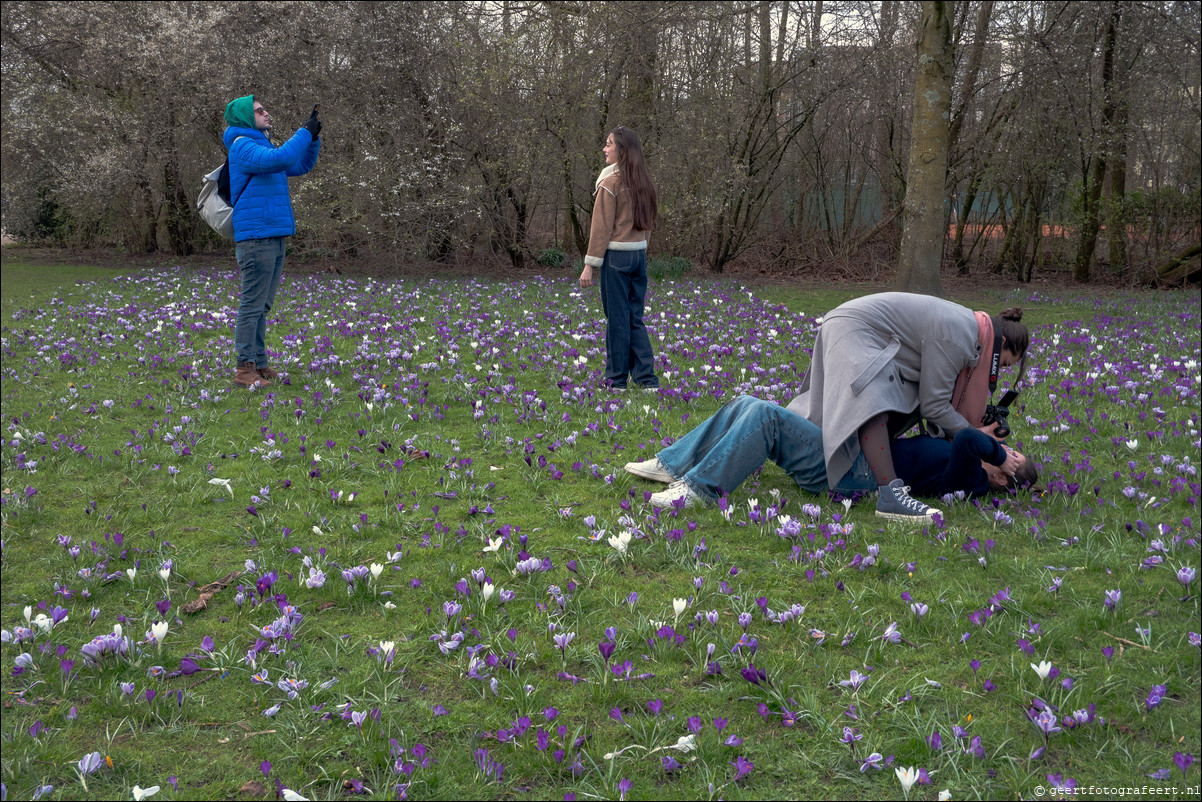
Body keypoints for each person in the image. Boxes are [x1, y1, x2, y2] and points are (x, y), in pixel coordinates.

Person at [784, 292, 1030, 522]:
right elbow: (935, 406)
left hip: (851, 320)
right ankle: (891, 495)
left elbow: (934, 402)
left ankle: (803, 448)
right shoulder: (961, 337)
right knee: (871, 397)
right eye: (1005, 364)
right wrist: (979, 437)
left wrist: (971, 434)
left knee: (895, 398)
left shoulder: (970, 329)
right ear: (1001, 343)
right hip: (856, 326)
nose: (999, 372)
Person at [624, 395, 1037, 512]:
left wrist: (998, 458)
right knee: (746, 403)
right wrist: (990, 439)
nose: (1004, 449)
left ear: (1004, 477)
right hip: (850, 456)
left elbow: (967, 443)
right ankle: (673, 464)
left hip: (854, 476)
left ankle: (698, 490)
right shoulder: (966, 466)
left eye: (1012, 455)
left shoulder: (975, 481)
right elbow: (963, 439)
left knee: (767, 417)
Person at [222, 95, 322, 388]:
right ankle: (244, 369)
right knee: (252, 306)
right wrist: (304, 131)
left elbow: (300, 164)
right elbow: (280, 159)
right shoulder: (242, 146)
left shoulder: (261, 146)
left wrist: (313, 137)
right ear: (244, 117)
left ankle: (260, 362)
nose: (267, 113)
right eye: (259, 111)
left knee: (262, 306)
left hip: (272, 235)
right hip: (256, 237)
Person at [578, 126, 660, 391]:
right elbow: (648, 225)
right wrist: (641, 249)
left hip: (616, 258)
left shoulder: (610, 183)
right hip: (638, 256)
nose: (604, 148)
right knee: (634, 318)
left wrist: (590, 265)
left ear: (622, 150)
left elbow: (600, 228)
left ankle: (616, 381)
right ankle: (648, 380)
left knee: (617, 320)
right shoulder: (643, 182)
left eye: (609, 144)